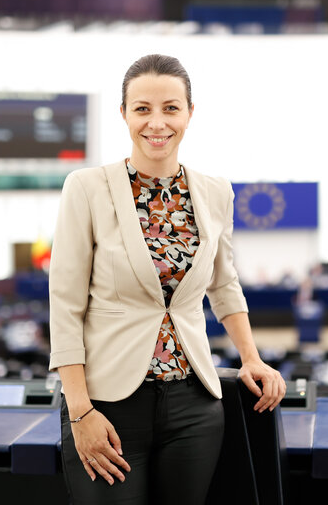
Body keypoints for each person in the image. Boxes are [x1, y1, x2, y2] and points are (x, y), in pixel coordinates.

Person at [48, 54, 286, 504]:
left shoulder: (216, 191)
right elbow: (65, 305)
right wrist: (79, 411)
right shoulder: (86, 187)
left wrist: (251, 356)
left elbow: (224, 283)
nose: (157, 122)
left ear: (190, 113)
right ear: (123, 114)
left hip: (192, 405)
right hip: (108, 405)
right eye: (142, 108)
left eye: (171, 108)